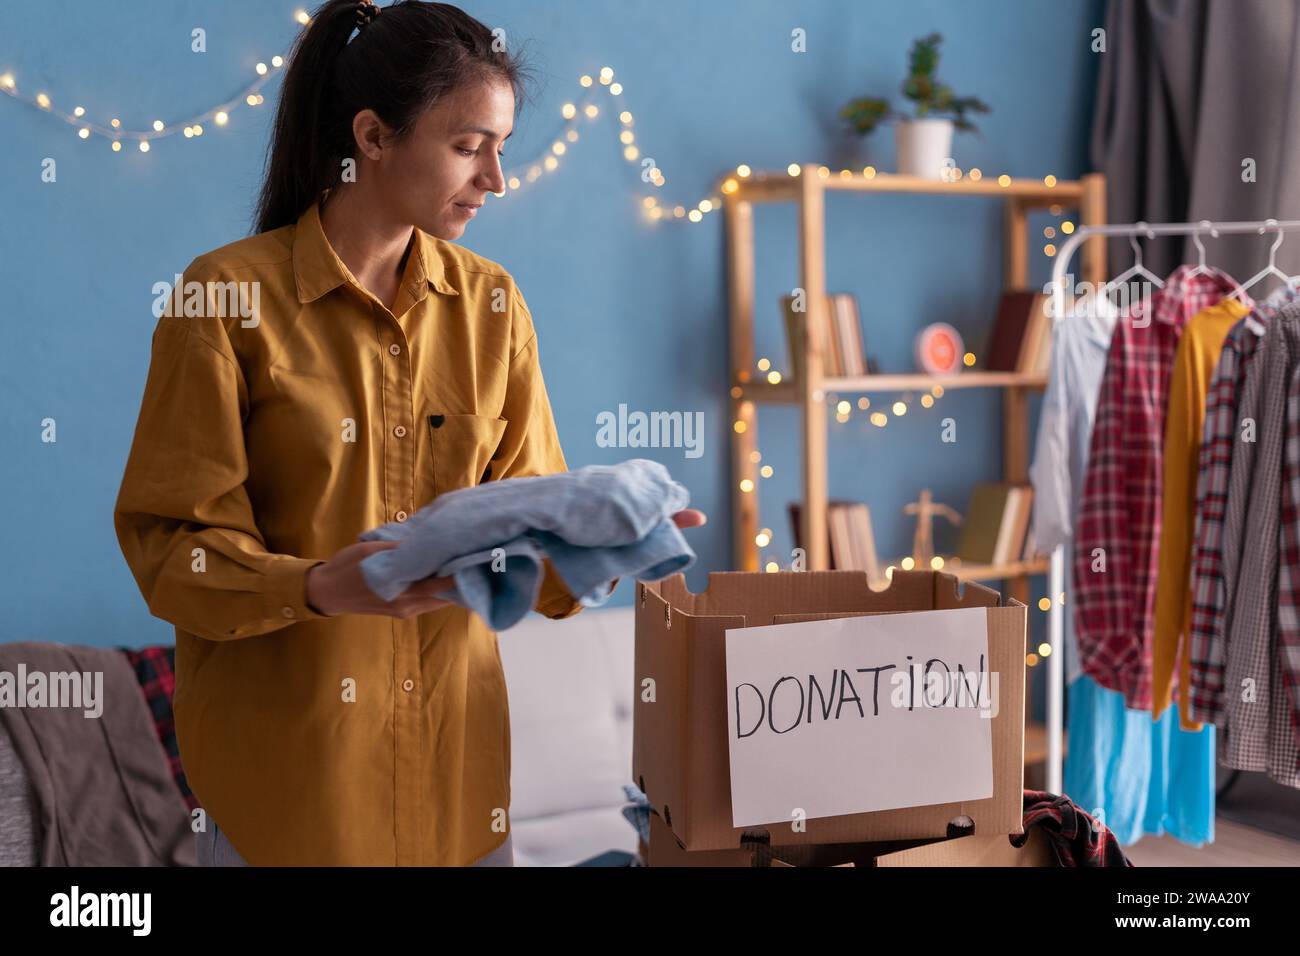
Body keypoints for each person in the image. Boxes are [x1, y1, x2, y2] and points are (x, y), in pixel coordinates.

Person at [113, 0, 704, 867]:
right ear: (374, 137)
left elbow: (530, 537)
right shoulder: (224, 302)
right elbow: (172, 551)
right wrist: (319, 587)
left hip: (457, 796)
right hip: (288, 801)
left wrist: (602, 551)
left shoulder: (494, 307)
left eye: (501, 147)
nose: (495, 178)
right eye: (469, 147)